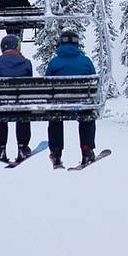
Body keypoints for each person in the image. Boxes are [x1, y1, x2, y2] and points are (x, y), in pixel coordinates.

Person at [45, 27, 96, 168]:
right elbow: (94, 82)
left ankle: (56, 153)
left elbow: (47, 83)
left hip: (59, 107)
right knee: (87, 118)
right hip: (82, 106)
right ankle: (87, 151)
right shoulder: (86, 61)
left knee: (55, 120)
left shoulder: (54, 62)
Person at [0, 34, 32, 161]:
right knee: (23, 111)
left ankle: (0, 147)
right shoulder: (26, 63)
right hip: (21, 105)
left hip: (3, 104)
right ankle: (23, 146)